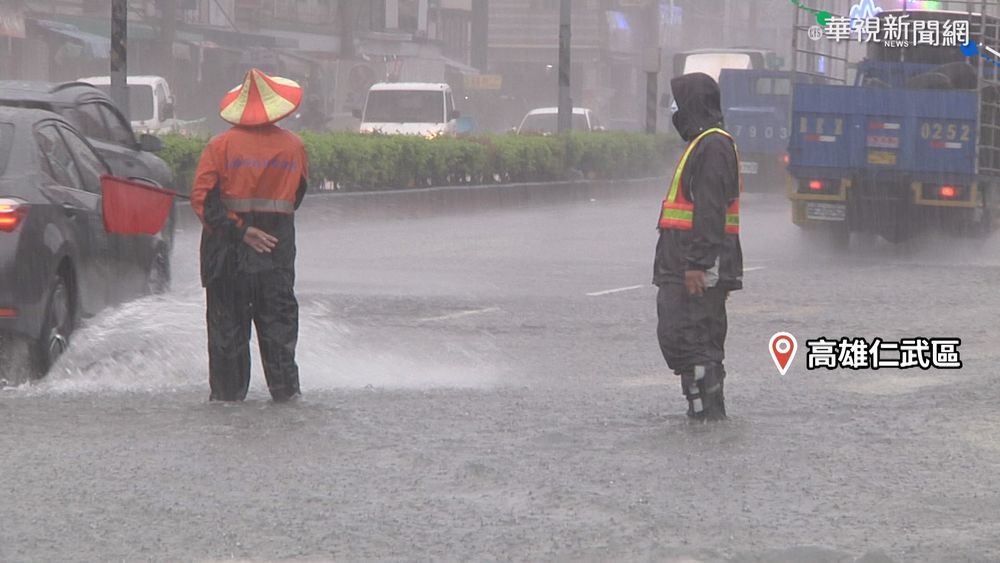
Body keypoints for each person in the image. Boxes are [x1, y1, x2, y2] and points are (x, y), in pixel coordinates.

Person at [190, 68, 310, 403]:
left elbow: (202, 200)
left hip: (226, 260)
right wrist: (262, 231)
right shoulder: (294, 147)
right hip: (276, 256)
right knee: (279, 336)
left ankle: (229, 403)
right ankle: (286, 400)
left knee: (227, 340)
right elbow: (296, 197)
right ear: (277, 108)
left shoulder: (219, 147)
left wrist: (241, 231)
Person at [654, 72, 744, 420]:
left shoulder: (714, 145)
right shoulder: (703, 144)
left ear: (692, 104)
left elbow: (710, 210)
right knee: (685, 339)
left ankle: (708, 415)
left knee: (694, 341)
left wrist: (699, 264)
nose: (673, 108)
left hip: (694, 266)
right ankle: (703, 413)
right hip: (684, 263)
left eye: (678, 100)